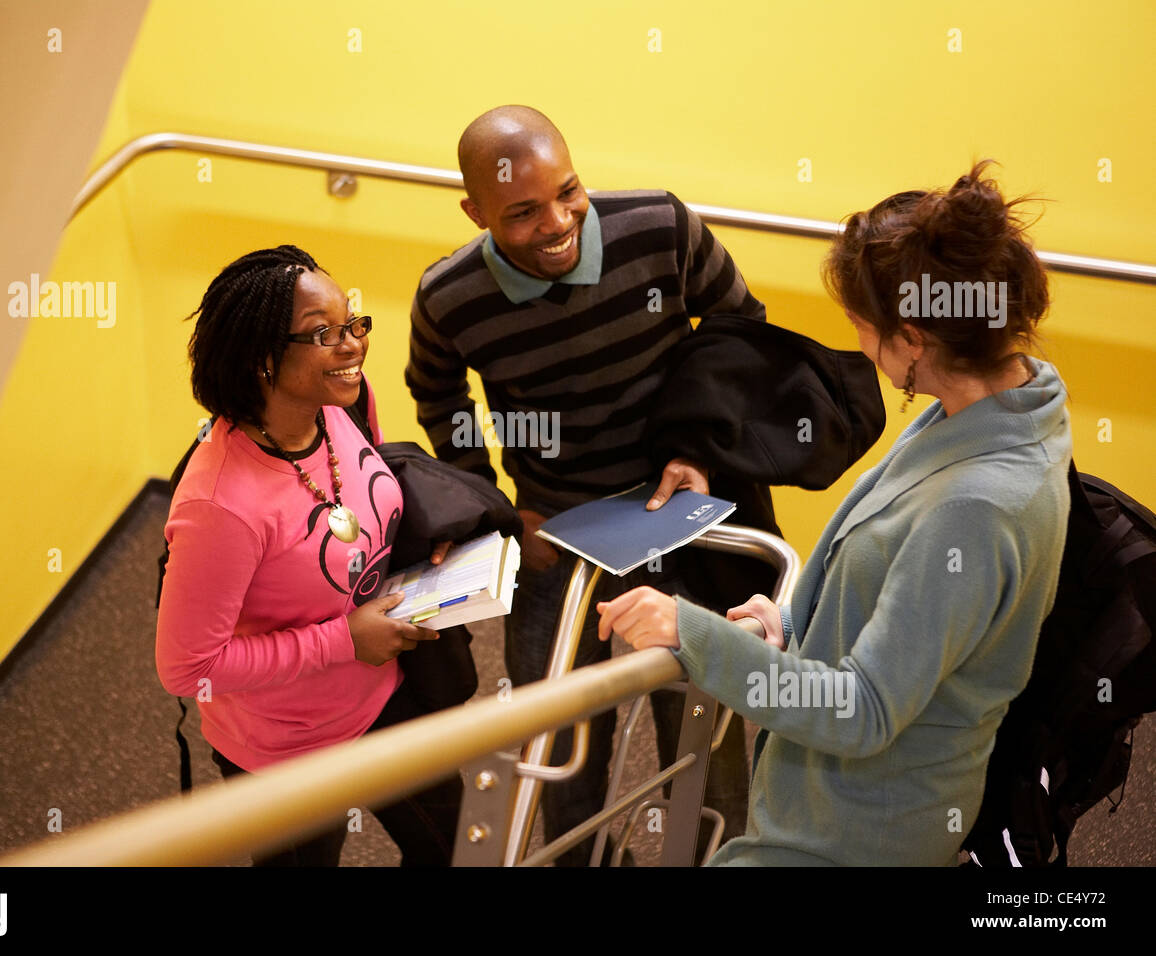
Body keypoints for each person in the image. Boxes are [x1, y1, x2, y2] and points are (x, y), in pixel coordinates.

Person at [596, 161, 1073, 866]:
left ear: (913, 338)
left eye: (862, 329)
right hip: (828, 799)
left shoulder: (978, 505)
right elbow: (892, 581)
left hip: (858, 832)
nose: (860, 348)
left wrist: (693, 633)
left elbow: (866, 710)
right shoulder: (1001, 403)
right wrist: (788, 623)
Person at [406, 105, 771, 864]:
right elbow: (439, 398)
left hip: (683, 515)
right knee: (556, 743)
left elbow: (743, 333)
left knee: (705, 738)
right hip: (557, 533)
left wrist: (696, 445)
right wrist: (498, 515)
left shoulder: (661, 228)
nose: (558, 221)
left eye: (568, 191)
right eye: (523, 211)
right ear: (474, 213)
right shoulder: (449, 296)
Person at [156, 244, 462, 866]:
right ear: (261, 360)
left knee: (453, 845)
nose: (352, 346)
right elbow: (188, 669)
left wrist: (421, 539)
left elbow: (361, 493)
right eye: (322, 334)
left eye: (353, 322)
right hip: (284, 747)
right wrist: (343, 642)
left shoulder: (342, 403)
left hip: (383, 695)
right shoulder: (221, 505)